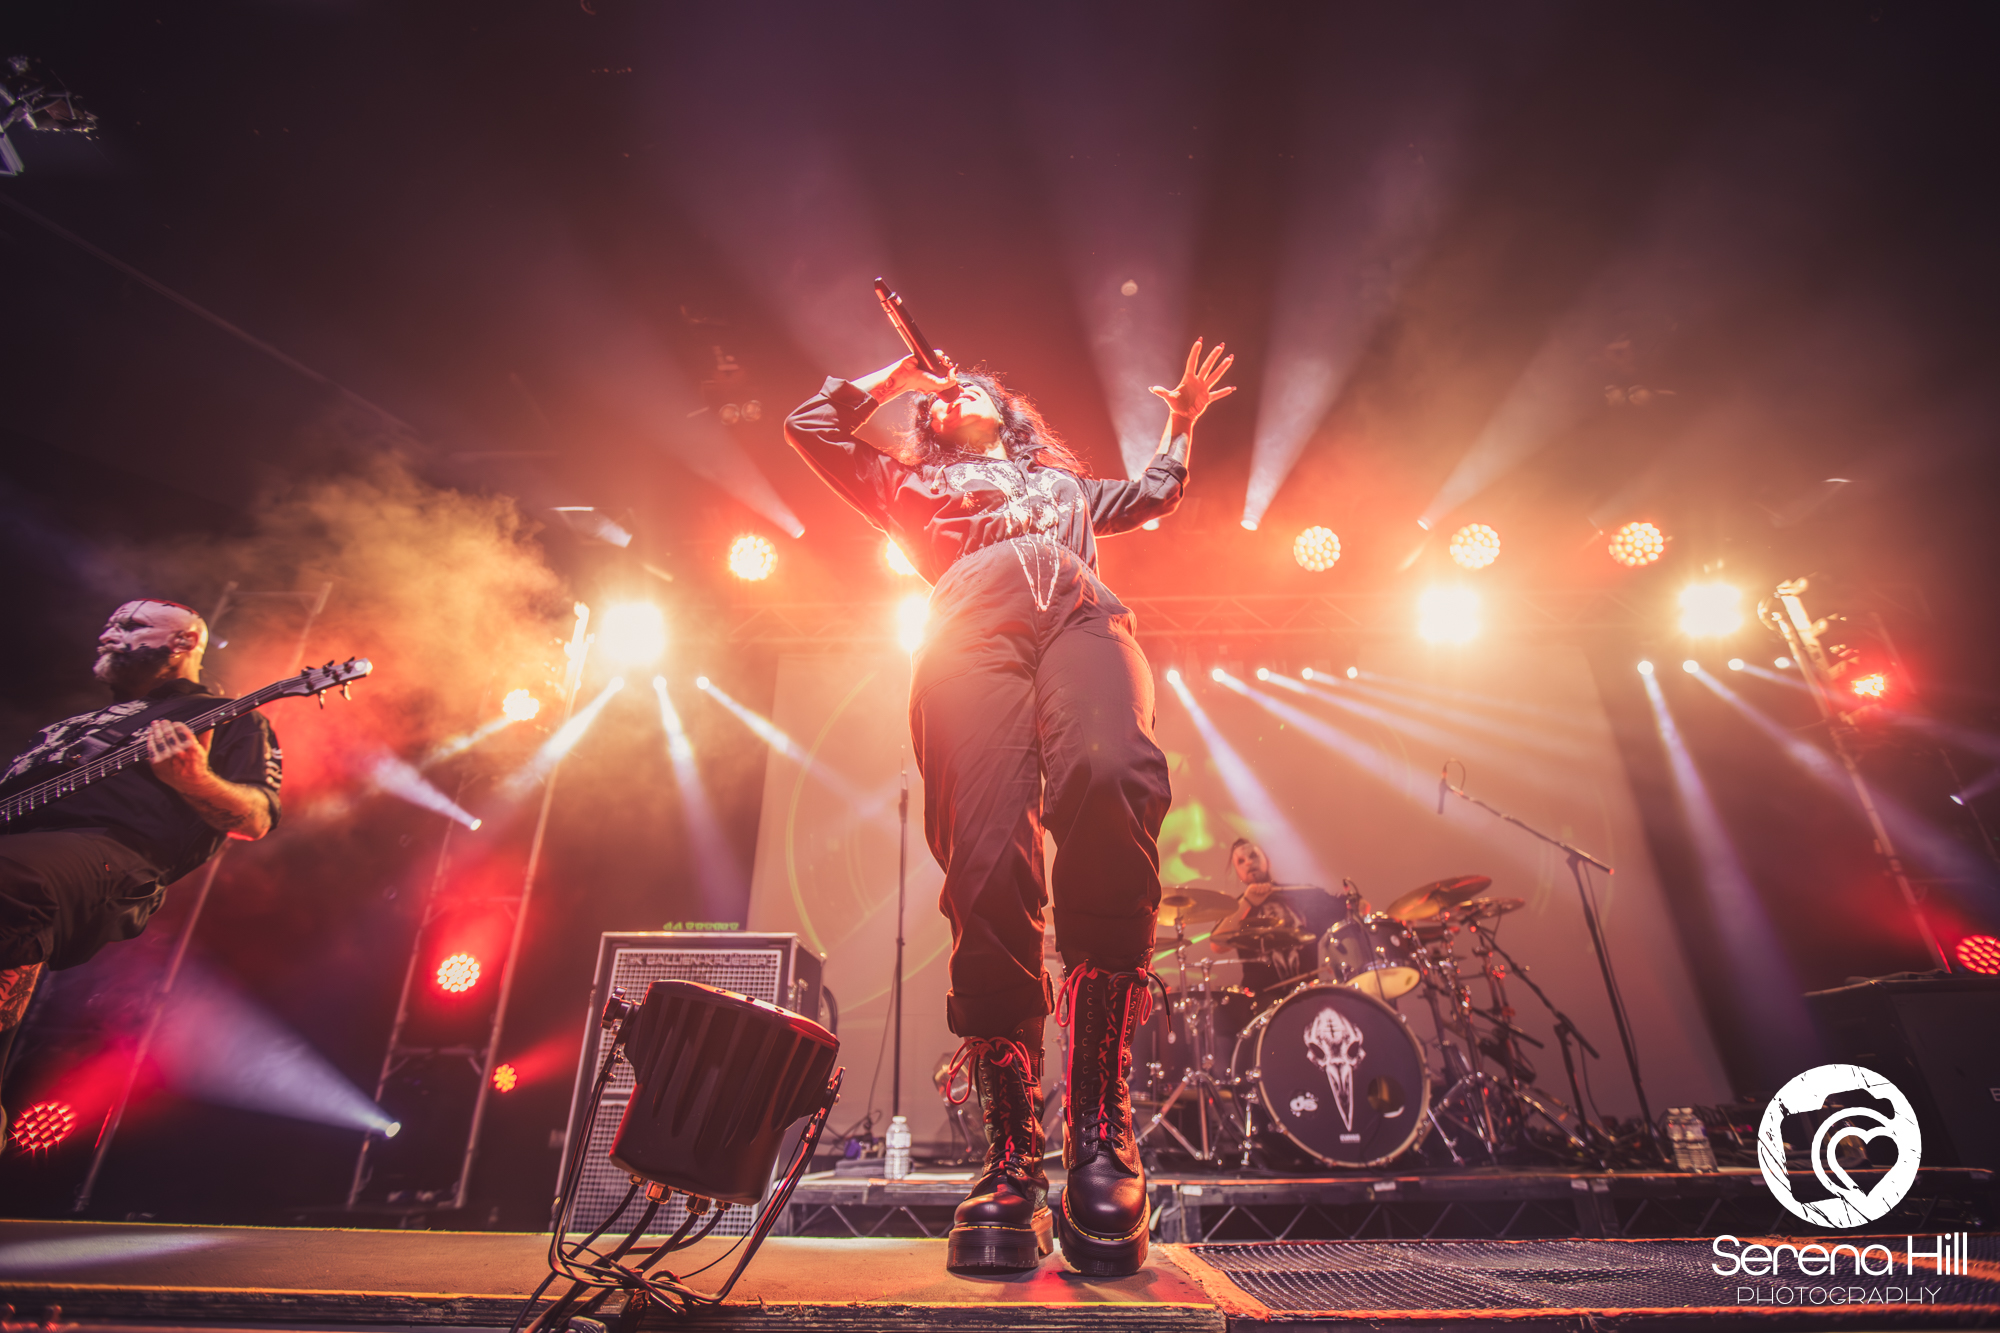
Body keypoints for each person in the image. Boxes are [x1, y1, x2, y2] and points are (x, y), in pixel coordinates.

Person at [785, 338, 1234, 1276]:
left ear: (1009, 409)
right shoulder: (909, 484)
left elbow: (1156, 491)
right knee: (986, 861)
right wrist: (900, 377)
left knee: (1112, 772)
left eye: (972, 387)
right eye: (941, 397)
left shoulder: (1067, 488)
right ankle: (1011, 1154)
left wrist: (1183, 422)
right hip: (966, 626)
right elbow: (812, 425)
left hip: (1080, 610)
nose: (956, 394)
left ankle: (1100, 1124)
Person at [0, 600, 283, 1144]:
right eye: (110, 623)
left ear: (184, 643)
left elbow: (256, 817)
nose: (109, 633)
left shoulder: (226, 715)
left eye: (131, 626)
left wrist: (193, 780)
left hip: (112, 852)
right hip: (26, 848)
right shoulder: (68, 725)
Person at [1211, 839, 1321, 1004]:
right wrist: (1247, 901)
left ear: (1267, 861)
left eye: (1253, 856)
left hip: (1310, 993)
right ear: (1238, 874)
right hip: (1262, 1001)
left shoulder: (1298, 894)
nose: (1248, 862)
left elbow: (1345, 907)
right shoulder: (1238, 907)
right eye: (1241, 861)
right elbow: (1217, 946)